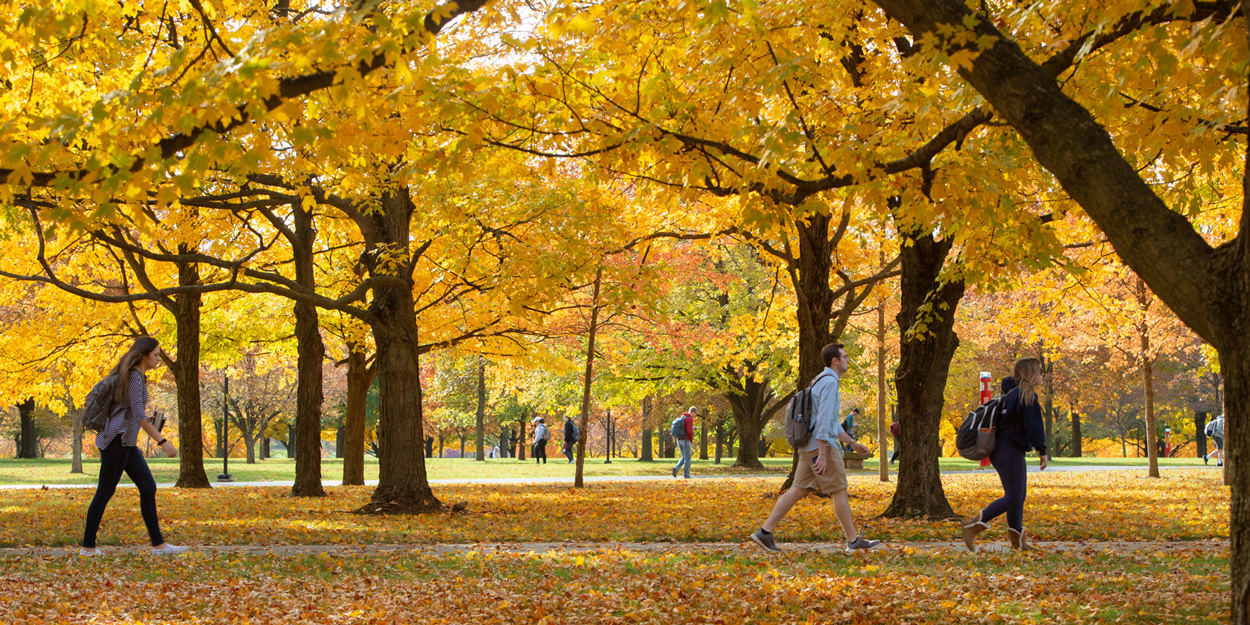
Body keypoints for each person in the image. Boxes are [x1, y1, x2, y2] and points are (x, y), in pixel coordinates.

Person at [749, 343, 880, 553]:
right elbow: (823, 421)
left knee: (797, 489)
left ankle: (764, 532)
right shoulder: (829, 383)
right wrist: (822, 453)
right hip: (822, 447)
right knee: (839, 490)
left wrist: (852, 443)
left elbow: (829, 421)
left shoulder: (818, 380)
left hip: (808, 445)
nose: (847, 360)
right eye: (845, 357)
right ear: (835, 361)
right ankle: (854, 541)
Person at [80, 337, 188, 556]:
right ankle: (87, 547)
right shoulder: (134, 377)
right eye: (156, 355)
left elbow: (131, 412)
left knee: (148, 487)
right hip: (116, 442)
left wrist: (152, 423)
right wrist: (163, 441)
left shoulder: (136, 377)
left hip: (126, 443)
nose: (159, 358)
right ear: (144, 355)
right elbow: (138, 415)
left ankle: (158, 546)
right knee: (104, 492)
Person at [961, 359, 1049, 552]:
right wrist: (1042, 450)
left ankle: (1018, 543)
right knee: (1014, 498)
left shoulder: (1011, 394)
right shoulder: (1027, 396)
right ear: (1031, 373)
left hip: (1003, 450)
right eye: (1040, 371)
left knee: (1017, 497)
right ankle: (973, 526)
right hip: (1009, 450)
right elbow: (1034, 427)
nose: (1042, 375)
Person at [671, 407, 696, 479]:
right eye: (695, 414)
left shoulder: (683, 417)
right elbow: (689, 431)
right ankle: (686, 475)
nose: (694, 416)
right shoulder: (689, 418)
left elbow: (685, 428)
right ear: (693, 412)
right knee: (687, 458)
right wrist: (690, 439)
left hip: (678, 440)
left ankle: (676, 468)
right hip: (685, 440)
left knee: (684, 456)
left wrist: (692, 427)